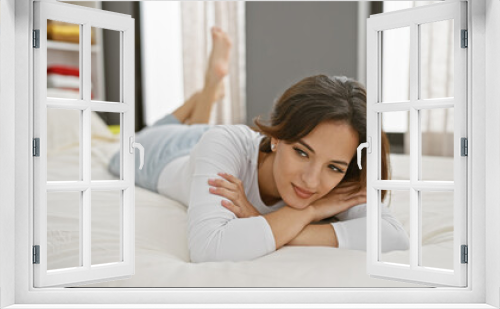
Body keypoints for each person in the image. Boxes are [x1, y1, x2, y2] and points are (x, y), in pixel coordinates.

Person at [108, 26, 409, 263]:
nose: (311, 180)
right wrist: (306, 213)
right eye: (302, 152)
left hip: (207, 149)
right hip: (166, 154)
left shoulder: (342, 180)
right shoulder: (226, 142)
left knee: (200, 129)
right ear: (276, 136)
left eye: (333, 166)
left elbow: (394, 237)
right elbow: (209, 249)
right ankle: (208, 90)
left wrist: (265, 218)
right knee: (129, 148)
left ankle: (210, 90)